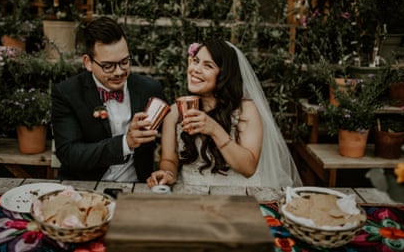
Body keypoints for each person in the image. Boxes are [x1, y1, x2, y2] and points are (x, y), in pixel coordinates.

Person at [147, 40, 302, 189]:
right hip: (191, 194)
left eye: (207, 66)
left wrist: (214, 129)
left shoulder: (245, 110)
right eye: (195, 61)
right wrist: (167, 173)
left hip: (237, 196)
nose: (195, 69)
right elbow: (169, 160)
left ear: (223, 75)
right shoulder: (174, 112)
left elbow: (248, 168)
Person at [52, 16, 166, 181]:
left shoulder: (150, 89)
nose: (119, 72)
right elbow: (69, 154)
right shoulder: (67, 93)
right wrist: (125, 144)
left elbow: (171, 136)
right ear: (88, 62)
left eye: (124, 62)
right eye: (108, 66)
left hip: (136, 188)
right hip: (85, 188)